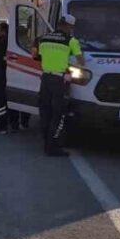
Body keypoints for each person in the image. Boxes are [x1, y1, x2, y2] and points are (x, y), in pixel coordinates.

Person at [34, 15, 84, 156]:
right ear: (69, 26)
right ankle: (53, 147)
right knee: (59, 113)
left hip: (46, 78)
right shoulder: (71, 41)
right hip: (59, 81)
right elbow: (81, 62)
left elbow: (40, 56)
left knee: (45, 111)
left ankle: (45, 141)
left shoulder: (44, 38)